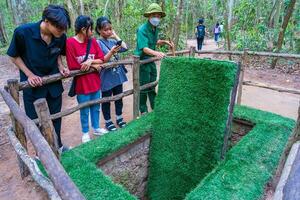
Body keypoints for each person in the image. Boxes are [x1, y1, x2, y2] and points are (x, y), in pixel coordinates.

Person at [7, 5, 71, 153]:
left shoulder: (60, 36)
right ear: (47, 21)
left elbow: (58, 54)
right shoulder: (23, 33)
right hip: (33, 86)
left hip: (53, 84)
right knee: (35, 121)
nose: (62, 32)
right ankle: (42, 152)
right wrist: (29, 75)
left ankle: (58, 146)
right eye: (59, 28)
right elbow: (13, 56)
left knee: (55, 117)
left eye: (64, 29)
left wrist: (61, 66)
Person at [66, 15, 108, 143]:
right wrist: (95, 65)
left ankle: (96, 128)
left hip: (95, 82)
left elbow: (102, 58)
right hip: (81, 85)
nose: (92, 32)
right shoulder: (70, 42)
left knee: (96, 107)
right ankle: (85, 132)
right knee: (84, 110)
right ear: (84, 29)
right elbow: (73, 65)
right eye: (91, 29)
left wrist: (91, 61)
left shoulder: (93, 41)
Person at [135, 3, 174, 115]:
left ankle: (154, 107)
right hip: (142, 61)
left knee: (152, 84)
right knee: (143, 86)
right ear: (149, 16)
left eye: (158, 16)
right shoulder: (142, 29)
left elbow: (152, 42)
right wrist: (158, 53)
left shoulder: (155, 28)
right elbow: (144, 48)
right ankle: (143, 110)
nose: (156, 18)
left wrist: (163, 42)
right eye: (154, 15)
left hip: (151, 60)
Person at [95, 16, 128, 131]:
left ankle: (119, 118)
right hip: (106, 77)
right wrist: (112, 51)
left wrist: (115, 35)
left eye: (110, 29)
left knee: (119, 97)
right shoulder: (97, 43)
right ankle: (108, 121)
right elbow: (102, 59)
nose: (108, 31)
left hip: (117, 75)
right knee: (106, 100)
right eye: (105, 29)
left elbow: (125, 47)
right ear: (99, 30)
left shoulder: (113, 41)